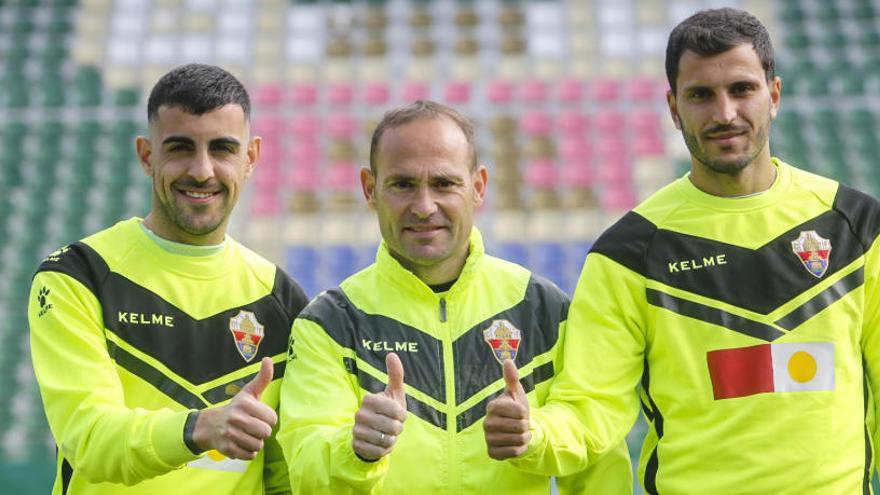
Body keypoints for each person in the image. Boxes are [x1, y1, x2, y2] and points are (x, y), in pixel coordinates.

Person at [537, 7, 880, 494]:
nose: (725, 114)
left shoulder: (857, 225)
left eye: (742, 89)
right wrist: (537, 434)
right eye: (701, 95)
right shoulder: (627, 253)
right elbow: (591, 406)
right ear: (674, 108)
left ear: (774, 96)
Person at [276, 100, 632, 494]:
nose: (424, 207)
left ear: (477, 187)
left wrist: (536, 434)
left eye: (444, 184)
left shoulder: (542, 309)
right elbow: (305, 468)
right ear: (369, 189)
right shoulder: (329, 322)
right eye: (403, 184)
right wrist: (355, 451)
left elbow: (598, 455)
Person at [27, 63, 309, 495]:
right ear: (146, 155)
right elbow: (90, 440)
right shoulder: (78, 275)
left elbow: (286, 476)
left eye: (222, 149)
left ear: (250, 158)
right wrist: (199, 427)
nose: (201, 170)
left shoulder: (282, 299)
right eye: (179, 148)